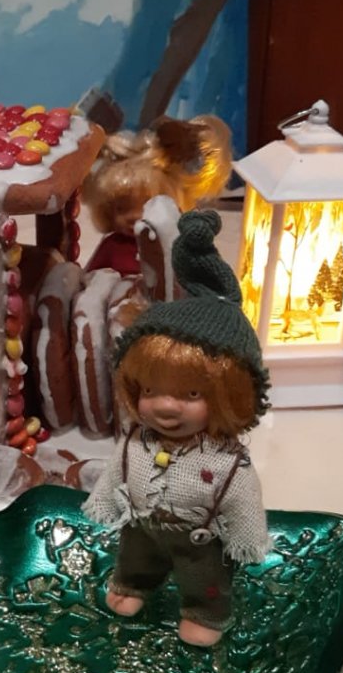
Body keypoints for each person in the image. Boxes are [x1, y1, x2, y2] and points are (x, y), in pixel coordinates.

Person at [83, 209, 270, 647]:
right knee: (134, 559)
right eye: (150, 390)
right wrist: (104, 502)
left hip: (198, 539)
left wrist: (247, 539)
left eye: (191, 394)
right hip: (142, 527)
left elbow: (243, 499)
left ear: (231, 395)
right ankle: (133, 586)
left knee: (205, 578)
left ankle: (204, 613)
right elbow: (117, 472)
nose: (165, 406)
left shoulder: (225, 461)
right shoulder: (137, 440)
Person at [82, 115, 232, 278]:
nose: (133, 217)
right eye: (121, 208)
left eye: (147, 207)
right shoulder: (113, 246)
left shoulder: (173, 248)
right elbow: (88, 278)